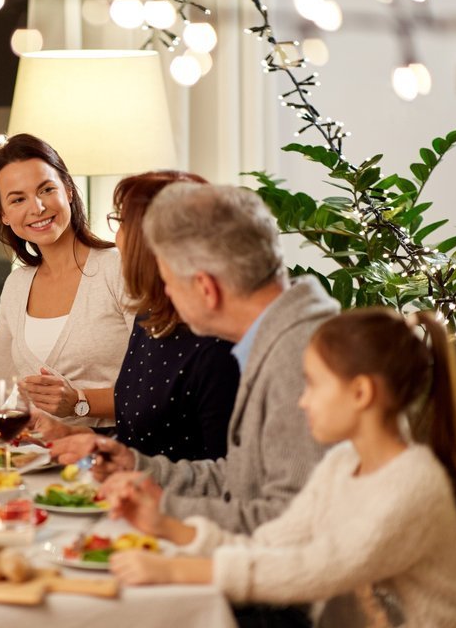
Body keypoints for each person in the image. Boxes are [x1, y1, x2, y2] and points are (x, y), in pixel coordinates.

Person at [105, 308, 456, 628]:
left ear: (361, 393)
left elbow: (311, 569)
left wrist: (177, 569)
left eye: (312, 384)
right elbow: (273, 544)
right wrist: (168, 526)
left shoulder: (412, 486)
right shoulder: (343, 465)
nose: (302, 400)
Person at [52, 183, 337, 533]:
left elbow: (290, 523)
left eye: (169, 282)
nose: (164, 294)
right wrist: (136, 466)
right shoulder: (271, 337)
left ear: (205, 288)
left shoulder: (299, 361)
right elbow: (241, 478)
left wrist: (163, 509)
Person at [0, 133, 134, 427]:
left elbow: (164, 388)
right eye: (18, 199)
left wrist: (81, 401)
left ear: (68, 190)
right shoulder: (18, 284)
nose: (37, 208)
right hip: (32, 458)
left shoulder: (119, 270)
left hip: (107, 456)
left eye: (46, 190)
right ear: (4, 214)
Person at [28, 171, 239, 459]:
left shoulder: (216, 345)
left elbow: (226, 477)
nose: (117, 236)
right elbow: (138, 436)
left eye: (122, 221)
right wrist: (81, 435)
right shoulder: (149, 318)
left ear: (151, 240)